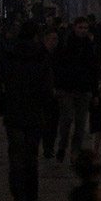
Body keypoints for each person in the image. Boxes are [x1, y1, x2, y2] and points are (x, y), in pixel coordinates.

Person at [0, 21, 53, 201]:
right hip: (34, 113)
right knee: (32, 158)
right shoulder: (41, 55)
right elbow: (47, 87)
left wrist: (2, 107)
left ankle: (18, 193)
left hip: (14, 112)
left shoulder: (9, 54)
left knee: (16, 157)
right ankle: (31, 194)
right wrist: (45, 107)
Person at [54, 16, 100, 164]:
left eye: (85, 28)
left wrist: (95, 92)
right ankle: (62, 146)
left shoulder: (90, 46)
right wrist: (58, 86)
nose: (83, 31)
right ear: (74, 28)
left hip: (84, 89)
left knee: (80, 124)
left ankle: (75, 152)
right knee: (67, 119)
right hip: (66, 88)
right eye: (80, 27)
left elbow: (94, 70)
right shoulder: (65, 44)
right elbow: (58, 66)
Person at [42, 29, 62, 159]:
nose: (55, 42)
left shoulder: (58, 55)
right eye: (52, 39)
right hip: (43, 93)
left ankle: (49, 147)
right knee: (45, 122)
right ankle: (46, 146)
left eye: (56, 39)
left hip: (56, 93)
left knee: (53, 122)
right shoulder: (40, 55)